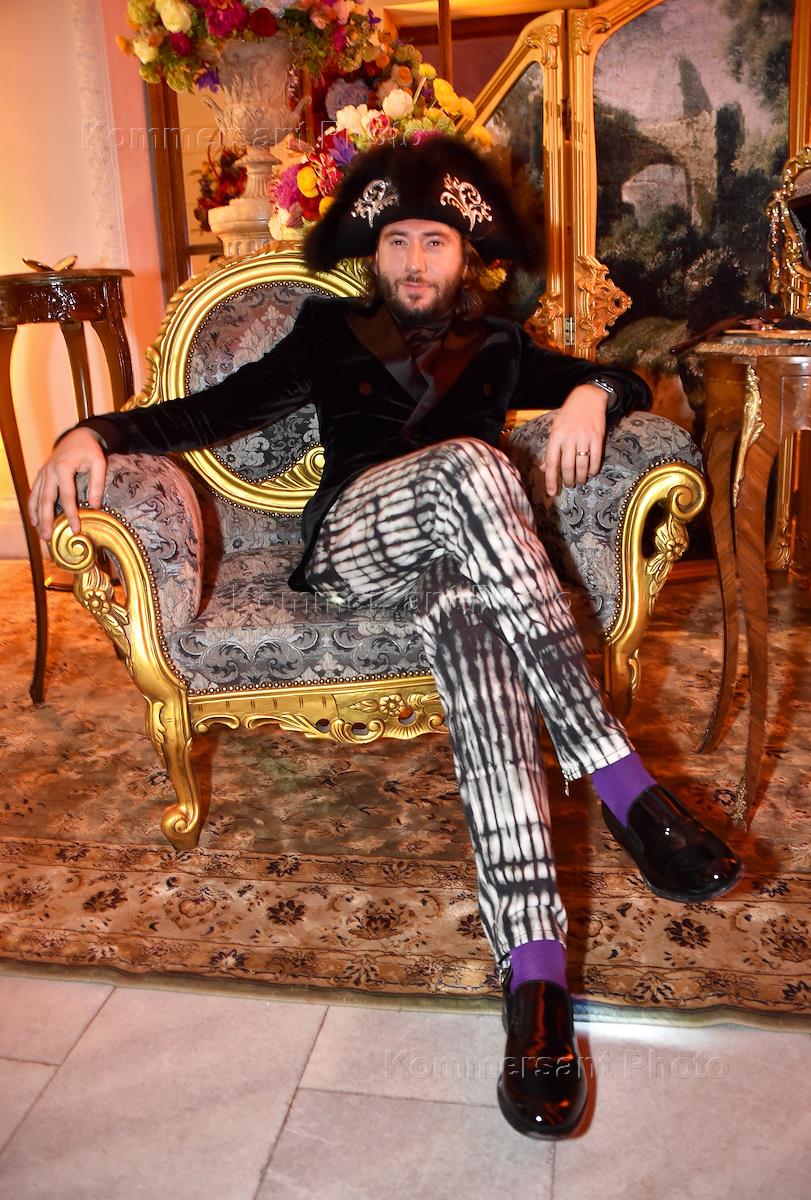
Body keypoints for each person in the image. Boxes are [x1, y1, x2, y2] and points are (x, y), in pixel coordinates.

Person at [29, 135, 743, 1139]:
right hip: (355, 543)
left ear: (465, 260)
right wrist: (93, 431)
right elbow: (206, 410)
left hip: (463, 563)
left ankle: (535, 987)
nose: (413, 259)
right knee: (474, 466)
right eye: (398, 240)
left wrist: (593, 391)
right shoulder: (330, 330)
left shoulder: (498, 343)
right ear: (375, 251)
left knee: (479, 643)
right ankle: (619, 779)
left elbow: (618, 376)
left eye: (435, 243)